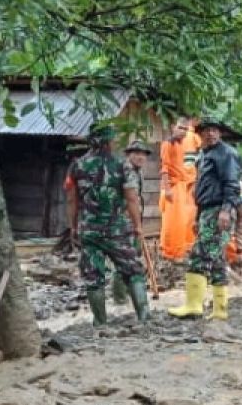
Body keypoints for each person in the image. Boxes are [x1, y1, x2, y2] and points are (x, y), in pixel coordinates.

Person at [64, 125, 150, 325]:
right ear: (110, 141)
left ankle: (100, 322)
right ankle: (144, 316)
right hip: (117, 229)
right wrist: (137, 227)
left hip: (89, 230)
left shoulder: (77, 166)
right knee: (133, 270)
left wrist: (74, 227)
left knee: (93, 275)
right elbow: (131, 199)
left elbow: (71, 200)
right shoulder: (123, 165)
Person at [168, 114, 241, 321]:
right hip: (207, 211)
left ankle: (193, 305)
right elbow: (203, 189)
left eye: (214, 130)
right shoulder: (205, 154)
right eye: (206, 130)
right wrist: (197, 218)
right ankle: (220, 310)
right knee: (217, 259)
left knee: (199, 256)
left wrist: (226, 210)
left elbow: (232, 185)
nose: (210, 133)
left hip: (219, 210)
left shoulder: (225, 153)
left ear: (220, 132)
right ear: (199, 134)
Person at [110, 139, 153, 305]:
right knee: (124, 258)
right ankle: (120, 298)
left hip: (131, 220)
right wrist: (137, 226)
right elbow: (131, 199)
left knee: (133, 256)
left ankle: (128, 292)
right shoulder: (126, 170)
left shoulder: (138, 172)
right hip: (122, 220)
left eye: (143, 154)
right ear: (128, 155)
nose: (140, 157)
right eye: (136, 153)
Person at [158, 117, 201, 261]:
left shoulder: (188, 144)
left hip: (186, 187)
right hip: (173, 187)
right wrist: (168, 189)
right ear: (173, 127)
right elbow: (164, 168)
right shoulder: (167, 144)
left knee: (187, 219)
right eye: (180, 128)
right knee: (172, 221)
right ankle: (170, 252)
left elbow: (193, 166)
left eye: (185, 129)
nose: (182, 131)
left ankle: (184, 249)